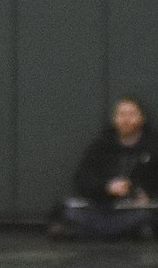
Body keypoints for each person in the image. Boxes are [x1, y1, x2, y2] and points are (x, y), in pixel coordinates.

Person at [49, 95, 158, 240]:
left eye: (132, 114)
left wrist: (146, 194)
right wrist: (107, 187)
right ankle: (123, 233)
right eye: (122, 114)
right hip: (102, 206)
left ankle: (89, 233)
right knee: (67, 209)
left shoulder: (153, 147)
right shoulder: (100, 146)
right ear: (114, 119)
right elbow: (82, 179)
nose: (126, 119)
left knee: (148, 215)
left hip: (135, 208)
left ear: (142, 118)